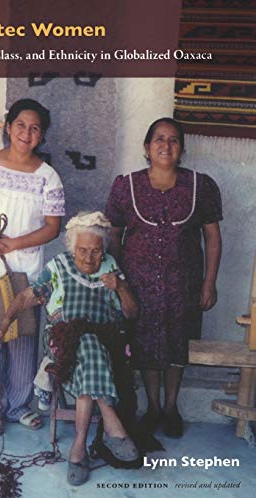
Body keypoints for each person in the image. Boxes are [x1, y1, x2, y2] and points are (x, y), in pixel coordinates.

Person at [0, 211, 140, 486]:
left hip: (102, 341)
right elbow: (25, 297)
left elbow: (131, 313)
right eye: (83, 250)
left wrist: (121, 288)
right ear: (73, 247)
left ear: (103, 249)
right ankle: (111, 421)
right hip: (63, 339)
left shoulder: (110, 266)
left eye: (96, 251)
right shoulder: (59, 267)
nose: (89, 258)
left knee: (91, 346)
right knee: (86, 343)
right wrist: (2, 324)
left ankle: (78, 448)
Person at [106, 117, 223, 438]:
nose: (165, 145)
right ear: (147, 147)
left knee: (177, 344)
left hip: (183, 285)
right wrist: (117, 282)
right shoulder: (125, 186)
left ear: (181, 148)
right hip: (138, 285)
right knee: (144, 344)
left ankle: (171, 407)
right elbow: (113, 236)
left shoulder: (201, 186)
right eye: (158, 139)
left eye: (173, 140)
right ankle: (153, 406)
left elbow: (212, 238)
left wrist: (209, 282)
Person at [0, 98, 65, 436]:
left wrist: (16, 243)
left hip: (27, 267)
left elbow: (53, 227)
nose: (26, 133)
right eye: (21, 125)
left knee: (22, 337)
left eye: (35, 128)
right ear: (8, 127)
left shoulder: (48, 177)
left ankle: (18, 405)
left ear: (41, 136)